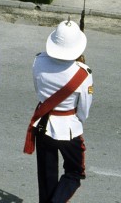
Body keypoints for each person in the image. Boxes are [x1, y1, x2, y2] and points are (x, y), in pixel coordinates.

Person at [28, 20, 92, 203]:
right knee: (74, 173)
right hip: (69, 128)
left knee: (46, 178)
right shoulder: (84, 72)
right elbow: (84, 110)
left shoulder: (39, 61)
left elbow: (38, 91)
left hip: (43, 125)